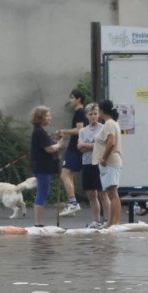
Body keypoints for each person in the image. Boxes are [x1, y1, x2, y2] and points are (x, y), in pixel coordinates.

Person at [29, 105, 64, 227]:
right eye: (47, 115)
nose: (50, 118)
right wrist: (59, 144)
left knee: (42, 192)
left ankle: (38, 221)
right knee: (42, 193)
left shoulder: (40, 132)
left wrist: (56, 140)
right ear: (41, 117)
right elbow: (49, 148)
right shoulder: (40, 132)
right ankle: (38, 222)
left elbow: (49, 144)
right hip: (42, 167)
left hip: (41, 167)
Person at [77, 102, 109, 228]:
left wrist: (87, 145)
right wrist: (90, 145)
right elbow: (80, 147)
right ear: (86, 115)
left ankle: (107, 219)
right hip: (87, 163)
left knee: (102, 193)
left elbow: (101, 146)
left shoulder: (103, 128)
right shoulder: (83, 131)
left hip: (99, 163)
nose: (93, 116)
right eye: (91, 114)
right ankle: (96, 220)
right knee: (91, 194)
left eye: (95, 114)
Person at [92, 99, 123, 228]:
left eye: (98, 109)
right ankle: (113, 221)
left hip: (110, 162)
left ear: (102, 111)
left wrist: (104, 158)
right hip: (110, 162)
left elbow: (111, 142)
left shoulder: (110, 123)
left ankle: (112, 222)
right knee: (112, 193)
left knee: (112, 193)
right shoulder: (111, 123)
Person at [58, 89, 86, 217]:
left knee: (64, 175)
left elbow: (79, 129)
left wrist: (64, 131)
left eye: (72, 97)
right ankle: (72, 203)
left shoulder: (80, 112)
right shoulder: (80, 112)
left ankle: (73, 203)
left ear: (79, 99)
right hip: (75, 147)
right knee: (69, 175)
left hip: (74, 148)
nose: (70, 100)